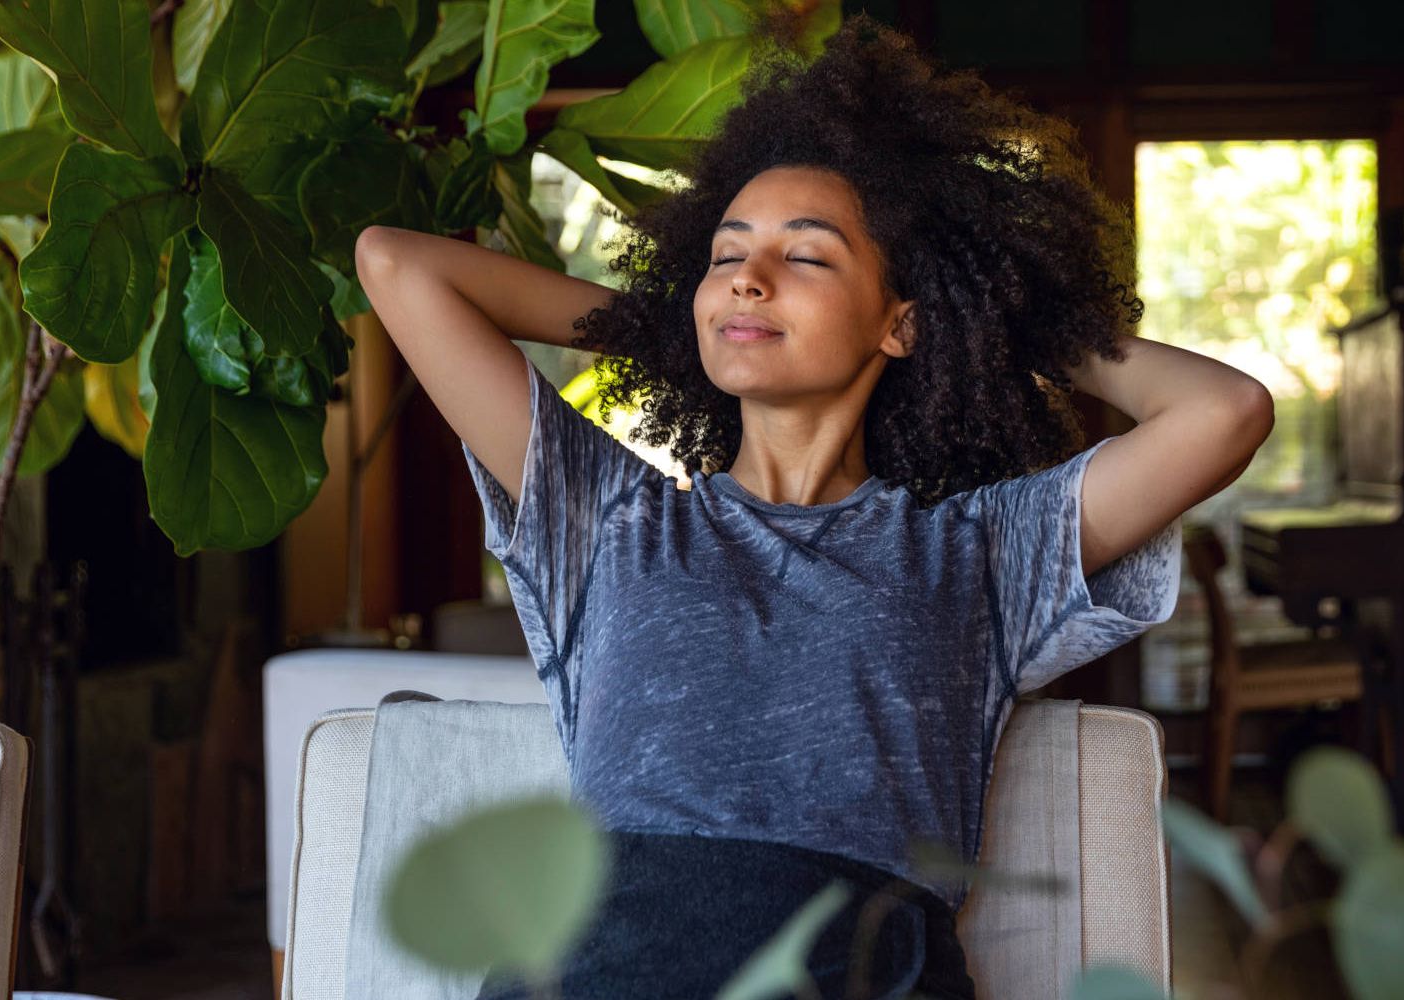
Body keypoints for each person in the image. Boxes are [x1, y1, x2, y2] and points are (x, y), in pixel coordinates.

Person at [355, 12, 1272, 999]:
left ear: (899, 322)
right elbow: (398, 265)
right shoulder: (608, 516)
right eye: (724, 256)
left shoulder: (979, 553)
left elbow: (1226, 412)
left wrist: (1000, 317)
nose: (748, 277)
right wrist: (673, 322)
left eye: (807, 257)